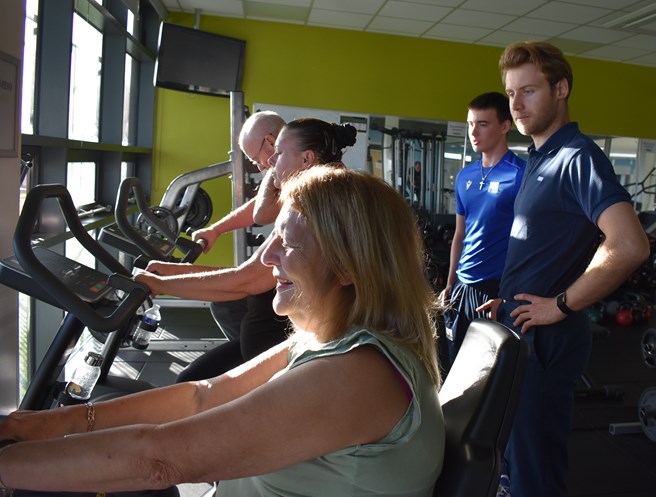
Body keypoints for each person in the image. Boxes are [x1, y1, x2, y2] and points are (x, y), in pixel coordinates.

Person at [0, 166, 445, 497]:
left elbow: (159, 460)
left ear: (347, 268)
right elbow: (205, 395)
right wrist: (55, 423)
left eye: (288, 244)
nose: (267, 258)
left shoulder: (358, 376)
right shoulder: (330, 342)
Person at [479, 41, 650, 497]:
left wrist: (560, 304)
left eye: (528, 91)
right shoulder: (540, 158)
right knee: (514, 460)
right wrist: (509, 300)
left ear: (561, 89)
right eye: (510, 93)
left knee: (535, 471)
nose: (516, 104)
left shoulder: (577, 157)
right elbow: (548, 246)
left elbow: (629, 245)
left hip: (548, 338)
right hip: (521, 325)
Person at [135, 119, 358, 381]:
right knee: (192, 375)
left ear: (307, 159)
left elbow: (246, 276)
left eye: (278, 153)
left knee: (190, 382)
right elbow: (250, 271)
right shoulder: (311, 199)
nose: (269, 163)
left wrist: (161, 283)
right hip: (266, 344)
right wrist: (173, 271)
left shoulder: (312, 209)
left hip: (282, 354)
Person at [440, 92, 525, 368]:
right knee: (456, 366)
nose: (473, 132)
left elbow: (530, 244)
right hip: (463, 287)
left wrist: (509, 297)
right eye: (470, 124)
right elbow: (460, 234)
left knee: (489, 373)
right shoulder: (465, 176)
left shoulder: (520, 174)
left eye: (483, 124)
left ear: (505, 126)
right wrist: (450, 283)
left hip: (496, 289)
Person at [184, 110, 286, 342]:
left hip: (312, 294)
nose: (261, 168)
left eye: (256, 159)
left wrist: (162, 281)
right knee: (227, 304)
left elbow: (261, 213)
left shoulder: (299, 173)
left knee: (231, 304)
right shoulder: (286, 169)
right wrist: (216, 230)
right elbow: (259, 203)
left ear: (271, 141)